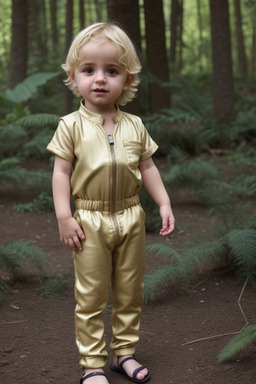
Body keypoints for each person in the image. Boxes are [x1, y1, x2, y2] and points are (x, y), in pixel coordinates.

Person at [47, 22, 175, 384]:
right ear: (74, 77)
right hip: (89, 218)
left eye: (111, 71)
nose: (99, 79)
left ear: (127, 80)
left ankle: (124, 354)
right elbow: (60, 173)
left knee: (130, 290)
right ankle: (92, 364)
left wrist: (163, 202)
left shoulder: (135, 125)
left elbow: (147, 166)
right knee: (89, 294)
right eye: (89, 70)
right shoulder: (70, 125)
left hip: (131, 216)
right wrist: (63, 216)